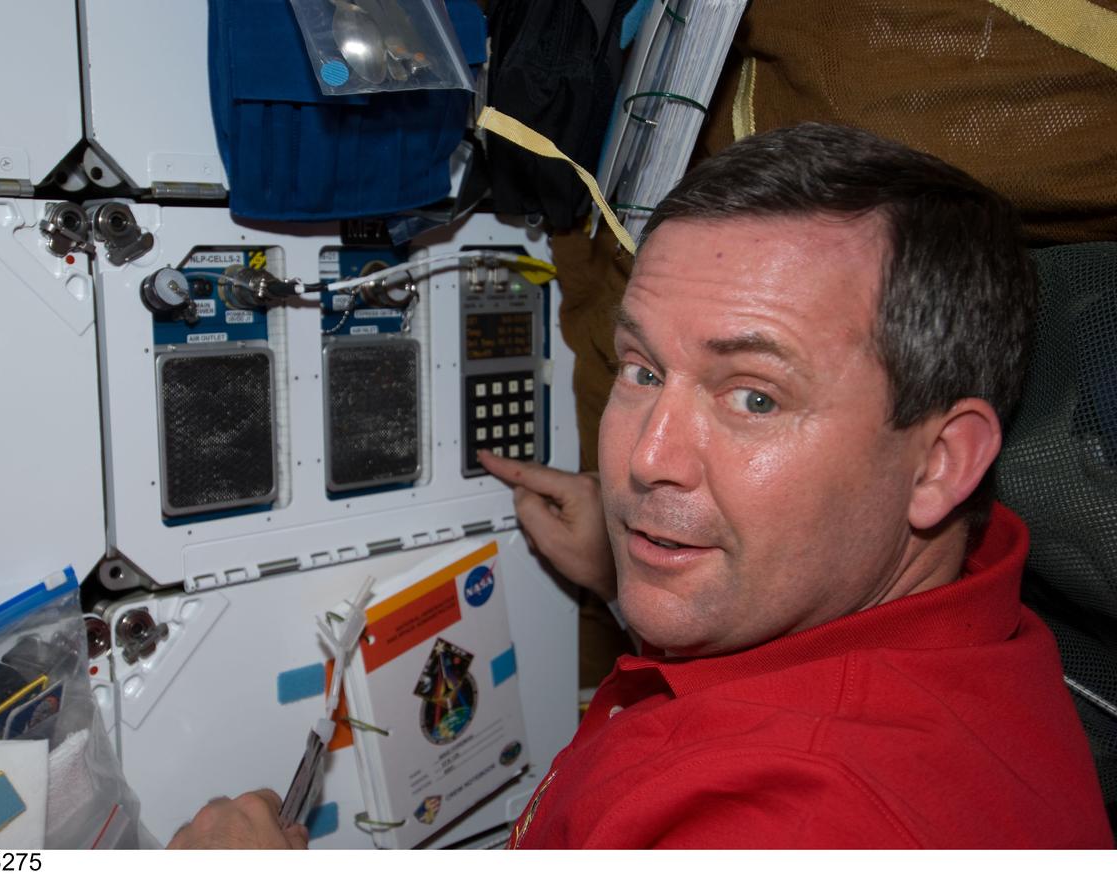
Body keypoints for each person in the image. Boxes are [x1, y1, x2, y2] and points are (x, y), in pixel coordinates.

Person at [168, 123, 1113, 848]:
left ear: (941, 462)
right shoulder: (971, 610)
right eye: (643, 370)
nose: (648, 457)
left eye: (754, 395)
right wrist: (624, 580)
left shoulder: (792, 825)